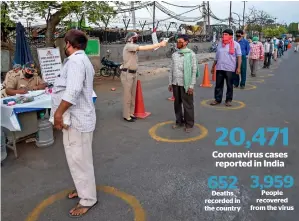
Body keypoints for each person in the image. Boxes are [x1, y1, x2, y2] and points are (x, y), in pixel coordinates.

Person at [52, 29, 97, 217]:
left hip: (76, 121)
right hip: (79, 119)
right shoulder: (81, 60)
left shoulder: (77, 62)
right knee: (78, 159)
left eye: (65, 42)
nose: (64, 46)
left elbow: (73, 91)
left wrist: (58, 114)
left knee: (79, 160)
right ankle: (82, 188)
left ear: (69, 43)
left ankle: (87, 198)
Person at [121, 32, 167, 122]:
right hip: (127, 74)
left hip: (133, 73)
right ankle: (126, 115)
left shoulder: (132, 46)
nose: (136, 39)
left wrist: (158, 45)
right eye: (135, 37)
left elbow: (143, 48)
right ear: (130, 38)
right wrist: (159, 44)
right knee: (128, 96)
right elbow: (143, 48)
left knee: (133, 95)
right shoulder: (128, 46)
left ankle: (131, 113)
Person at [168, 34, 199, 133]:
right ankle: (179, 121)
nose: (178, 43)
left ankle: (189, 124)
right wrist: (170, 83)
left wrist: (191, 85)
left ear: (186, 42)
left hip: (186, 84)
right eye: (177, 41)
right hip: (175, 83)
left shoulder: (191, 54)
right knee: (177, 104)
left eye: (180, 41)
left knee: (188, 105)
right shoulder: (174, 54)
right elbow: (171, 69)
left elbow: (194, 70)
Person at [210, 29, 242, 107]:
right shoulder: (220, 44)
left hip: (230, 68)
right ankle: (217, 99)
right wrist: (213, 66)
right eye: (223, 34)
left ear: (231, 36)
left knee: (229, 85)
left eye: (226, 34)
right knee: (218, 85)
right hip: (220, 67)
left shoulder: (236, 45)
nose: (224, 36)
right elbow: (217, 57)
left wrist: (238, 68)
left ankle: (228, 100)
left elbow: (239, 57)